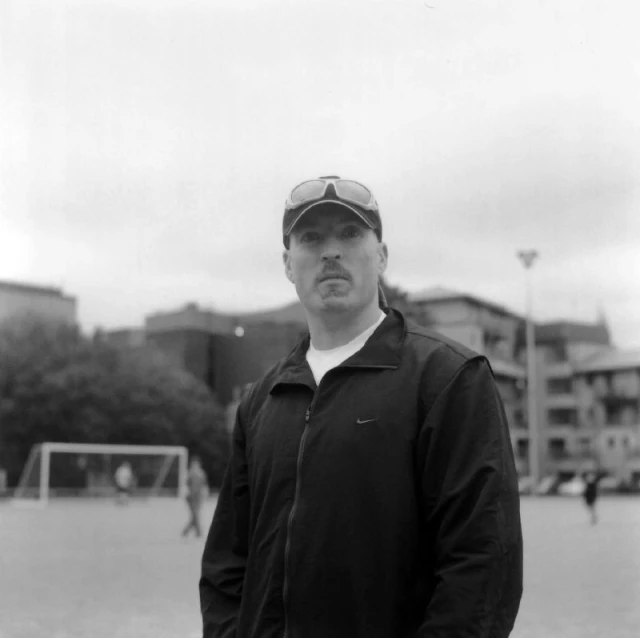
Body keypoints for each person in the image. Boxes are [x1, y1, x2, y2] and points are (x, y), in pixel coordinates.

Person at [200, 176, 523, 637]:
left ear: (382, 256)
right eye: (311, 238)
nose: (331, 251)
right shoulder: (263, 399)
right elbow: (226, 565)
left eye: (350, 234)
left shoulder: (448, 379)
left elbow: (483, 564)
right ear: (289, 264)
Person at [182, 456, 208, 538]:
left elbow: (204, 485)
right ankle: (198, 533)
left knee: (195, 515)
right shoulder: (189, 473)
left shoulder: (202, 473)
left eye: (196, 463)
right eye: (193, 463)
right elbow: (187, 485)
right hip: (191, 497)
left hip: (198, 497)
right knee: (195, 515)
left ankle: (187, 532)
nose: (194, 465)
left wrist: (204, 494)